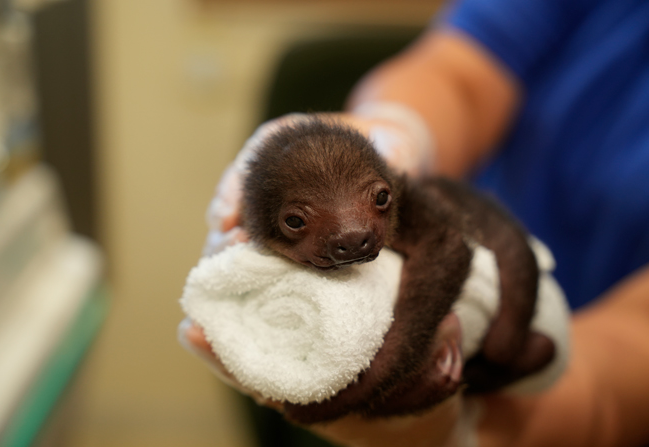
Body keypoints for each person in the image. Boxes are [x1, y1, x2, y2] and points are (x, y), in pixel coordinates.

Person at [182, 0, 649, 445]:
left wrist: (465, 424)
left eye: (378, 200)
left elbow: (447, 252)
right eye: (295, 222)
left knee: (517, 349)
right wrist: (397, 124)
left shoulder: (428, 219)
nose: (355, 232)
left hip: (596, 366)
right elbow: (461, 72)